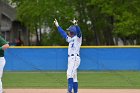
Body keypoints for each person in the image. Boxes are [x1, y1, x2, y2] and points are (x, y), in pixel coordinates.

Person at [54, 19, 82, 93]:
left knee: (69, 74)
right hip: (71, 59)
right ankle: (75, 92)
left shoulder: (78, 38)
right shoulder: (70, 39)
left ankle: (69, 91)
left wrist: (76, 24)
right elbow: (63, 34)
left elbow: (79, 32)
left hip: (74, 58)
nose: (68, 32)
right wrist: (58, 26)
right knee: (74, 77)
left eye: (69, 31)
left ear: (72, 32)